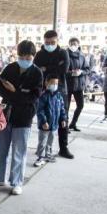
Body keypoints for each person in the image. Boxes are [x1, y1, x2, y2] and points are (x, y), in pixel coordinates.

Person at [0, 40, 43, 195]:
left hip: (24, 117)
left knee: (19, 151)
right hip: (6, 115)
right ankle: (0, 178)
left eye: (28, 58)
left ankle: (16, 182)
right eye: (22, 57)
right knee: (1, 149)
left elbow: (33, 97)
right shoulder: (10, 68)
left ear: (33, 57)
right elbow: (1, 86)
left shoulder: (37, 73)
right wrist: (19, 93)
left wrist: (14, 92)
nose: (25, 60)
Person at [33, 30, 73, 158]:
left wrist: (46, 68)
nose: (49, 45)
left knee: (63, 118)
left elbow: (64, 69)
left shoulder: (63, 53)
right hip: (43, 91)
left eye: (52, 42)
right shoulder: (39, 54)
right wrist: (54, 66)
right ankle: (42, 148)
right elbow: (37, 70)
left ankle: (63, 148)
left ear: (57, 41)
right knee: (43, 118)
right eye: (47, 42)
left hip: (60, 90)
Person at [34, 75, 67, 167]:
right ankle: (40, 157)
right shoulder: (43, 96)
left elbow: (62, 109)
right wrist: (44, 121)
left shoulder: (59, 96)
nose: (54, 85)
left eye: (56, 83)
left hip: (54, 125)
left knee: (50, 141)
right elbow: (40, 110)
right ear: (46, 83)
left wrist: (63, 119)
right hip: (45, 125)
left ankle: (48, 154)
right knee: (42, 141)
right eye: (52, 83)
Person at [65, 37, 90, 131]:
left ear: (78, 45)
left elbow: (87, 69)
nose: (73, 46)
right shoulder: (65, 54)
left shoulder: (81, 56)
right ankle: (65, 126)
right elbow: (62, 69)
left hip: (79, 84)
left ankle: (73, 123)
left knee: (80, 105)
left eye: (75, 44)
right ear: (69, 44)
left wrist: (81, 72)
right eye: (71, 44)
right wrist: (71, 73)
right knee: (65, 107)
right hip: (68, 84)